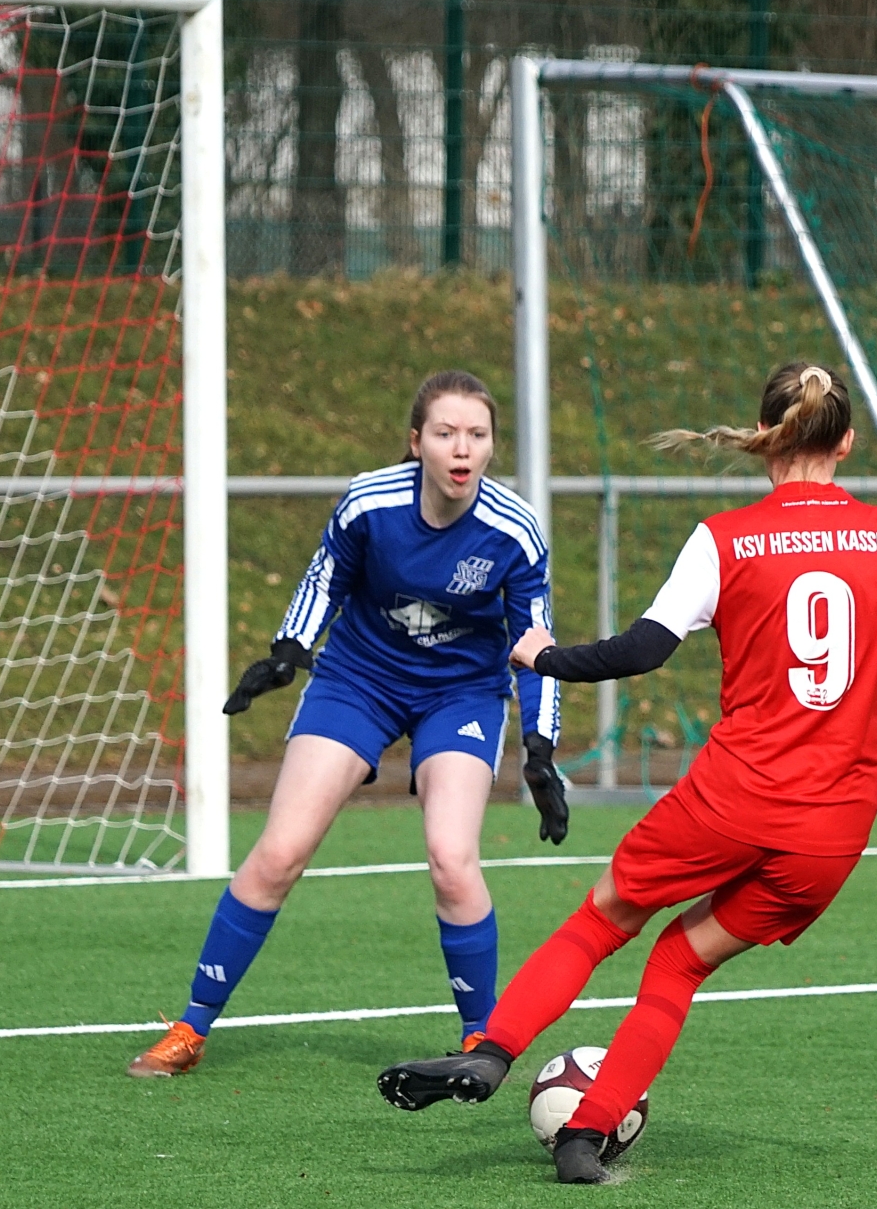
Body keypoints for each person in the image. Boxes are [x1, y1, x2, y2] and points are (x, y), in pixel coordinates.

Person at [376, 362, 877, 1184]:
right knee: (679, 963)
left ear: (764, 438)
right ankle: (586, 1138)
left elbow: (642, 650)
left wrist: (546, 656)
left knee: (602, 920)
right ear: (846, 442)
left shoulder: (726, 538)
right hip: (832, 832)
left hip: (731, 801)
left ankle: (491, 1051)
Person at [127, 370, 572, 1078]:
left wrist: (541, 749)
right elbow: (324, 579)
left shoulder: (514, 531)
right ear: (417, 442)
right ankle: (190, 1026)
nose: (462, 448)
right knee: (280, 852)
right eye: (446, 433)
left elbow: (535, 645)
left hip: (460, 695)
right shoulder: (370, 502)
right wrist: (288, 651)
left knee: (452, 860)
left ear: (492, 446)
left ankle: (481, 1045)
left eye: (477, 435)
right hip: (359, 681)